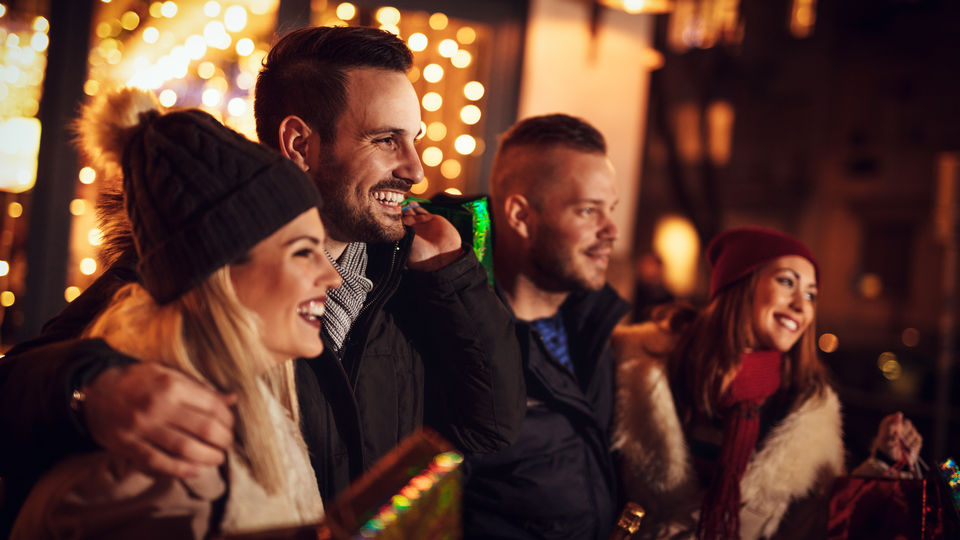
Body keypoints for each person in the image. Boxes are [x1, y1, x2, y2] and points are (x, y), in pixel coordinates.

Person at [0, 25, 524, 532]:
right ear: (298, 144)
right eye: (386, 139)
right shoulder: (195, 273)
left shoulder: (417, 273)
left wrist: (452, 278)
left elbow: (490, 428)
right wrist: (89, 390)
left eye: (413, 140)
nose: (415, 168)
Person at [11, 88, 341, 537]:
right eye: (303, 252)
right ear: (219, 275)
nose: (332, 276)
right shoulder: (155, 465)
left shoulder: (263, 406)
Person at [612, 226, 923, 540]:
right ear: (740, 284)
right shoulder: (641, 365)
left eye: (812, 295)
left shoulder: (808, 407)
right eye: (787, 282)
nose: (802, 306)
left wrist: (883, 461)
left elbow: (817, 524)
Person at [461, 114, 630, 539]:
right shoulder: (459, 346)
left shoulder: (594, 329)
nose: (611, 231)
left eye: (611, 210)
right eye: (588, 210)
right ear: (520, 215)